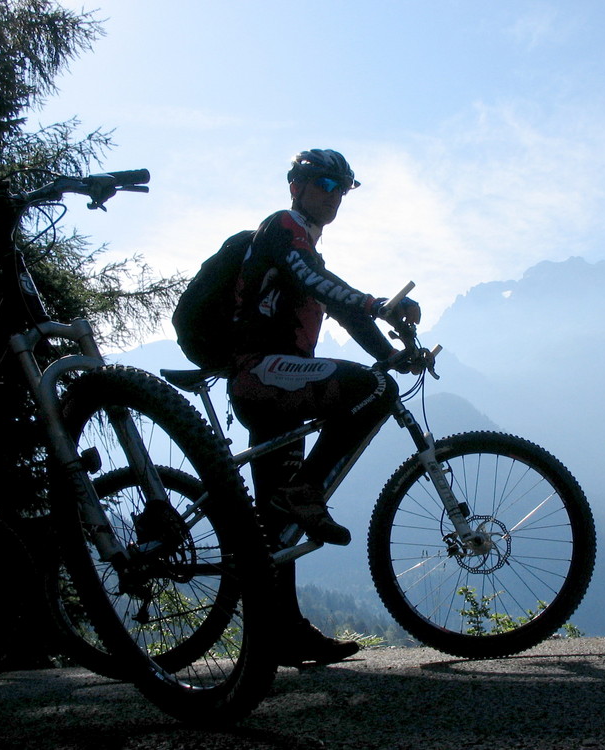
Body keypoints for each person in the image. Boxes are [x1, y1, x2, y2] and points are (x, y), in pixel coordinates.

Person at [228, 148, 420, 666]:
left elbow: (335, 304)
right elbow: (317, 283)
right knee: (372, 391)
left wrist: (396, 354)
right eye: (327, 183)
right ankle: (306, 491)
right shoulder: (282, 229)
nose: (335, 196)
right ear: (297, 185)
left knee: (277, 528)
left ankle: (282, 631)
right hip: (263, 372)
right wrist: (379, 305)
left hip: (280, 383)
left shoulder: (307, 244)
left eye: (345, 187)